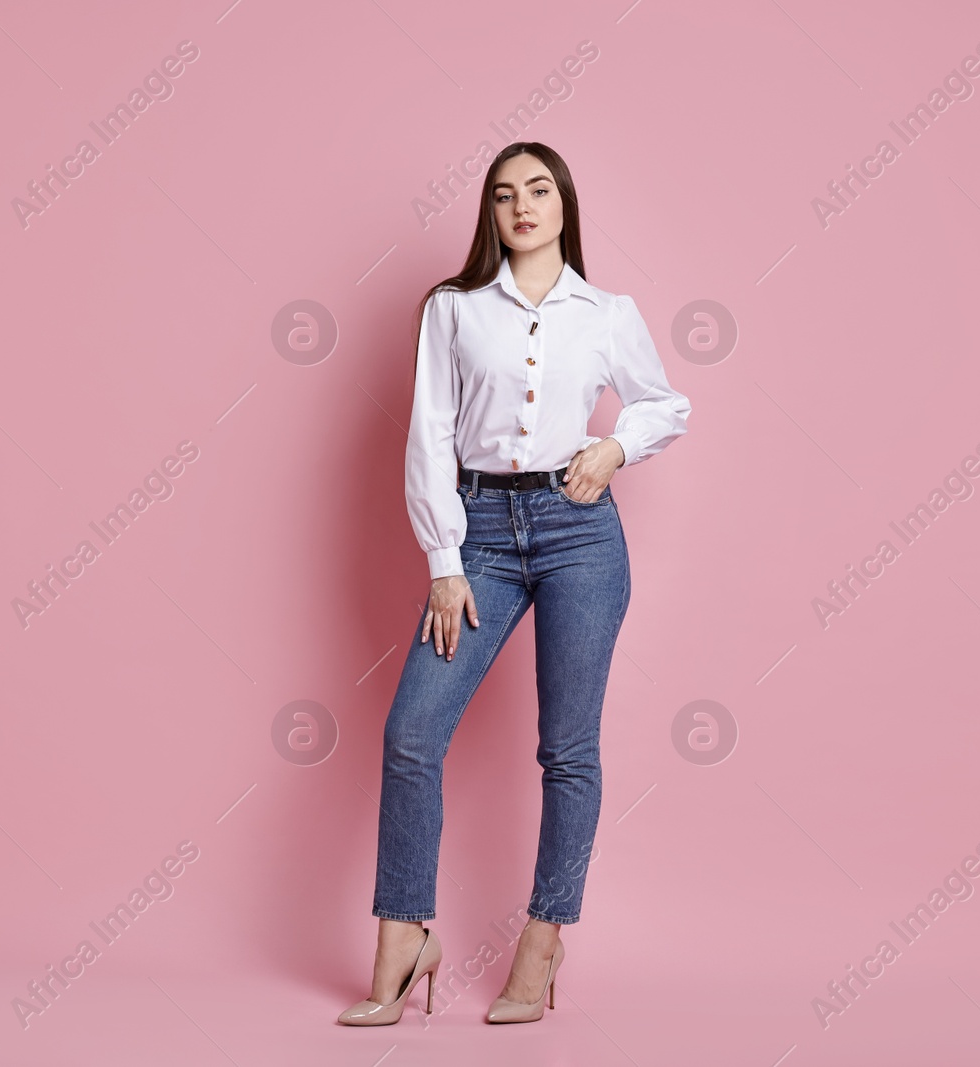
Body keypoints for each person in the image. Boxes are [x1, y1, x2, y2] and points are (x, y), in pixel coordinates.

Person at [338, 142, 690, 1026]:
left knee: (567, 751)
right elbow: (428, 435)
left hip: (580, 533)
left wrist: (614, 447)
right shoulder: (453, 311)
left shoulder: (607, 312)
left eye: (538, 190)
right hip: (482, 532)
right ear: (490, 216)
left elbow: (665, 403)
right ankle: (404, 931)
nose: (522, 206)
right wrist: (445, 563)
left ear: (564, 205)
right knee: (413, 732)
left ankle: (543, 938)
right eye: (504, 196)